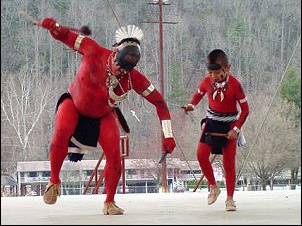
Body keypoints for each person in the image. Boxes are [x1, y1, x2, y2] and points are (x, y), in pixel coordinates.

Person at [36, 18, 176, 215]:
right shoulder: (92, 49)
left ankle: (109, 202)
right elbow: (65, 36)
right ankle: (54, 181)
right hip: (74, 104)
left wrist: (168, 134)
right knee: (61, 131)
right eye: (120, 65)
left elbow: (160, 103)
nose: (122, 71)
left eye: (128, 69)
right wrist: (54, 27)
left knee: (115, 156)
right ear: (114, 53)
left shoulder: (133, 78)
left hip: (102, 114)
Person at [182, 49, 249, 211]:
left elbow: (245, 110)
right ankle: (214, 186)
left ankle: (230, 199)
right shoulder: (206, 82)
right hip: (211, 124)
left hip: (230, 125)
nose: (213, 75)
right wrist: (191, 105)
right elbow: (198, 95)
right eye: (210, 72)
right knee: (201, 155)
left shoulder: (235, 85)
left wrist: (236, 129)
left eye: (217, 72)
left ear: (228, 68)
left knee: (229, 163)